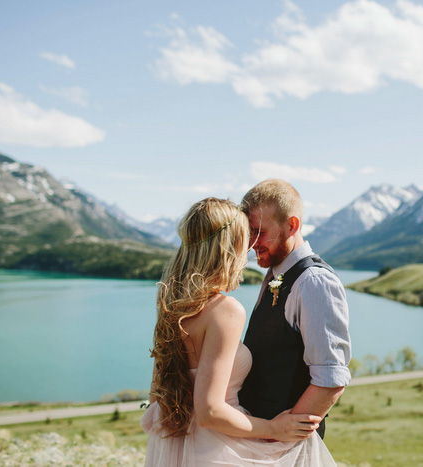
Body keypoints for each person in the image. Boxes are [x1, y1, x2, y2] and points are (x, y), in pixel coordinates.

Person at [141, 197, 338, 466]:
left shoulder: (171, 306)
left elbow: (156, 397)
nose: (251, 251)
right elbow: (210, 411)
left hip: (178, 444)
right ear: (229, 249)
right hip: (219, 449)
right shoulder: (225, 310)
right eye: (246, 242)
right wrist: (274, 429)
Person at [238, 179, 351, 439]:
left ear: (292, 225)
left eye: (260, 232)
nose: (252, 243)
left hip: (282, 451)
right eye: (249, 233)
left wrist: (275, 439)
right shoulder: (277, 273)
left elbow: (330, 379)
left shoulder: (314, 281)